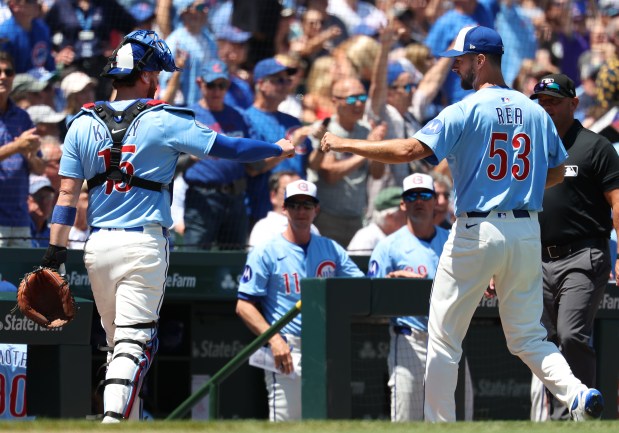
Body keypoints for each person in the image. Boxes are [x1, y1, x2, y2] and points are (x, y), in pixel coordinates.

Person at [320, 25, 604, 422]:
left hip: (478, 228)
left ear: (481, 60)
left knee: (444, 338)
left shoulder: (466, 109)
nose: (455, 67)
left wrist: (345, 143)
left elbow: (409, 150)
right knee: (528, 336)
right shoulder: (536, 111)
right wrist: (517, 185)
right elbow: (557, 173)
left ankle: (441, 426)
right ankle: (577, 394)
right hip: (525, 232)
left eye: (461, 59)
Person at [43, 29, 294, 423]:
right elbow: (229, 148)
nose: (159, 79)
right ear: (144, 75)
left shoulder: (80, 123)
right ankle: (111, 423)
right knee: (133, 343)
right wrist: (277, 148)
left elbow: (65, 199)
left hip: (96, 248)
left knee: (117, 346)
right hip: (142, 246)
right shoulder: (162, 118)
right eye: (157, 71)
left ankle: (127, 422)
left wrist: (55, 257)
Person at [528, 73, 619, 421]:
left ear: (573, 103)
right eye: (541, 101)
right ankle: (557, 415)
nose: (546, 107)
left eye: (553, 100)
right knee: (542, 339)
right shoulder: (531, 146)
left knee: (571, 333)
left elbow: (616, 201)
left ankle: (578, 413)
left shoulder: (595, 146)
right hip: (536, 257)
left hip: (583, 254)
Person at [236, 179, 364, 421]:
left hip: (326, 347)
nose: (301, 211)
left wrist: (388, 277)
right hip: (287, 348)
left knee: (324, 424)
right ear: (284, 209)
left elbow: (360, 286)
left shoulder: (331, 249)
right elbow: (243, 305)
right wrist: (273, 340)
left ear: (317, 209)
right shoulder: (266, 250)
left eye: (307, 205)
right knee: (286, 423)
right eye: (294, 205)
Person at [367, 173, 473, 421]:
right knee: (406, 419)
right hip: (409, 339)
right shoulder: (388, 246)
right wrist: (391, 285)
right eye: (411, 196)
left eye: (424, 195)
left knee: (461, 418)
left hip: (449, 337)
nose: (418, 201)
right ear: (403, 203)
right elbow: (370, 297)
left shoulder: (452, 241)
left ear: (435, 200)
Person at [183, 59, 252, 250]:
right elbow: (171, 159)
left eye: (221, 85)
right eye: (211, 85)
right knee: (193, 256)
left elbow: (250, 156)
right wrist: (190, 158)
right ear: (200, 83)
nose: (216, 91)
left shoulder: (238, 116)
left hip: (236, 197)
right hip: (203, 197)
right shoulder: (188, 116)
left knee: (233, 260)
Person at [309, 76, 385, 248]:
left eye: (362, 98)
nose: (358, 104)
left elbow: (377, 174)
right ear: (335, 101)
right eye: (351, 99)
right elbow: (329, 174)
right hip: (328, 219)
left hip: (357, 218)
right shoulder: (324, 130)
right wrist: (367, 149)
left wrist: (378, 149)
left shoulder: (366, 131)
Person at [0, 51, 44, 248]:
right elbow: (16, 148)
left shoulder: (22, 117)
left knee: (20, 279)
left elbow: (40, 169)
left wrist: (32, 156)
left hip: (19, 220)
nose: (3, 76)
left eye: (8, 72)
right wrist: (16, 147)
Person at [248, 170, 320, 248]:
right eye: (287, 191)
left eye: (300, 193)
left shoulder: (313, 229)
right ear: (273, 196)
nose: (296, 198)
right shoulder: (264, 228)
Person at [347, 186, 405, 255]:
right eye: (405, 213)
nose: (409, 217)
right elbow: (361, 265)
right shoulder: (367, 237)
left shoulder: (401, 237)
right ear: (389, 217)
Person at [28, 174, 55, 247]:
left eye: (48, 197)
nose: (43, 202)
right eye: (38, 196)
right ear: (27, 199)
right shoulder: (19, 229)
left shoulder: (52, 236)